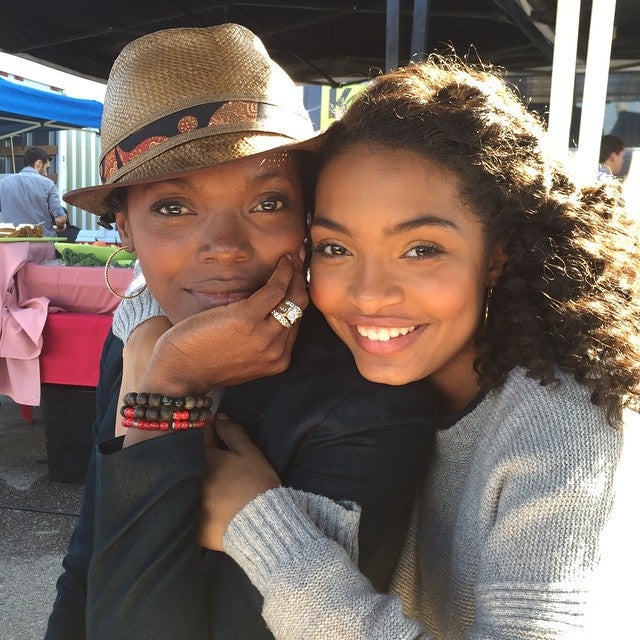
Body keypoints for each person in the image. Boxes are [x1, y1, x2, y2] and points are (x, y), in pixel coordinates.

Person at [86, 57, 640, 638]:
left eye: (421, 249)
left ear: (498, 254)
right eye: (336, 248)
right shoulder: (317, 357)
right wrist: (147, 330)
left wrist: (266, 531)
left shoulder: (562, 428)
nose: (370, 295)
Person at [44, 24, 438, 640]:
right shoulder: (135, 334)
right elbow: (87, 565)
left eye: (267, 203)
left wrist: (168, 387)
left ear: (307, 216)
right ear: (123, 227)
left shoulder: (367, 403)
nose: (225, 248)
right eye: (174, 207)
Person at [0, 146, 67, 235]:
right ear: (39, 163)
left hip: (11, 240)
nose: (46, 174)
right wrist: (61, 225)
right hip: (42, 240)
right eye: (46, 168)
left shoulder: (3, 183)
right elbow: (60, 219)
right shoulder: (48, 184)